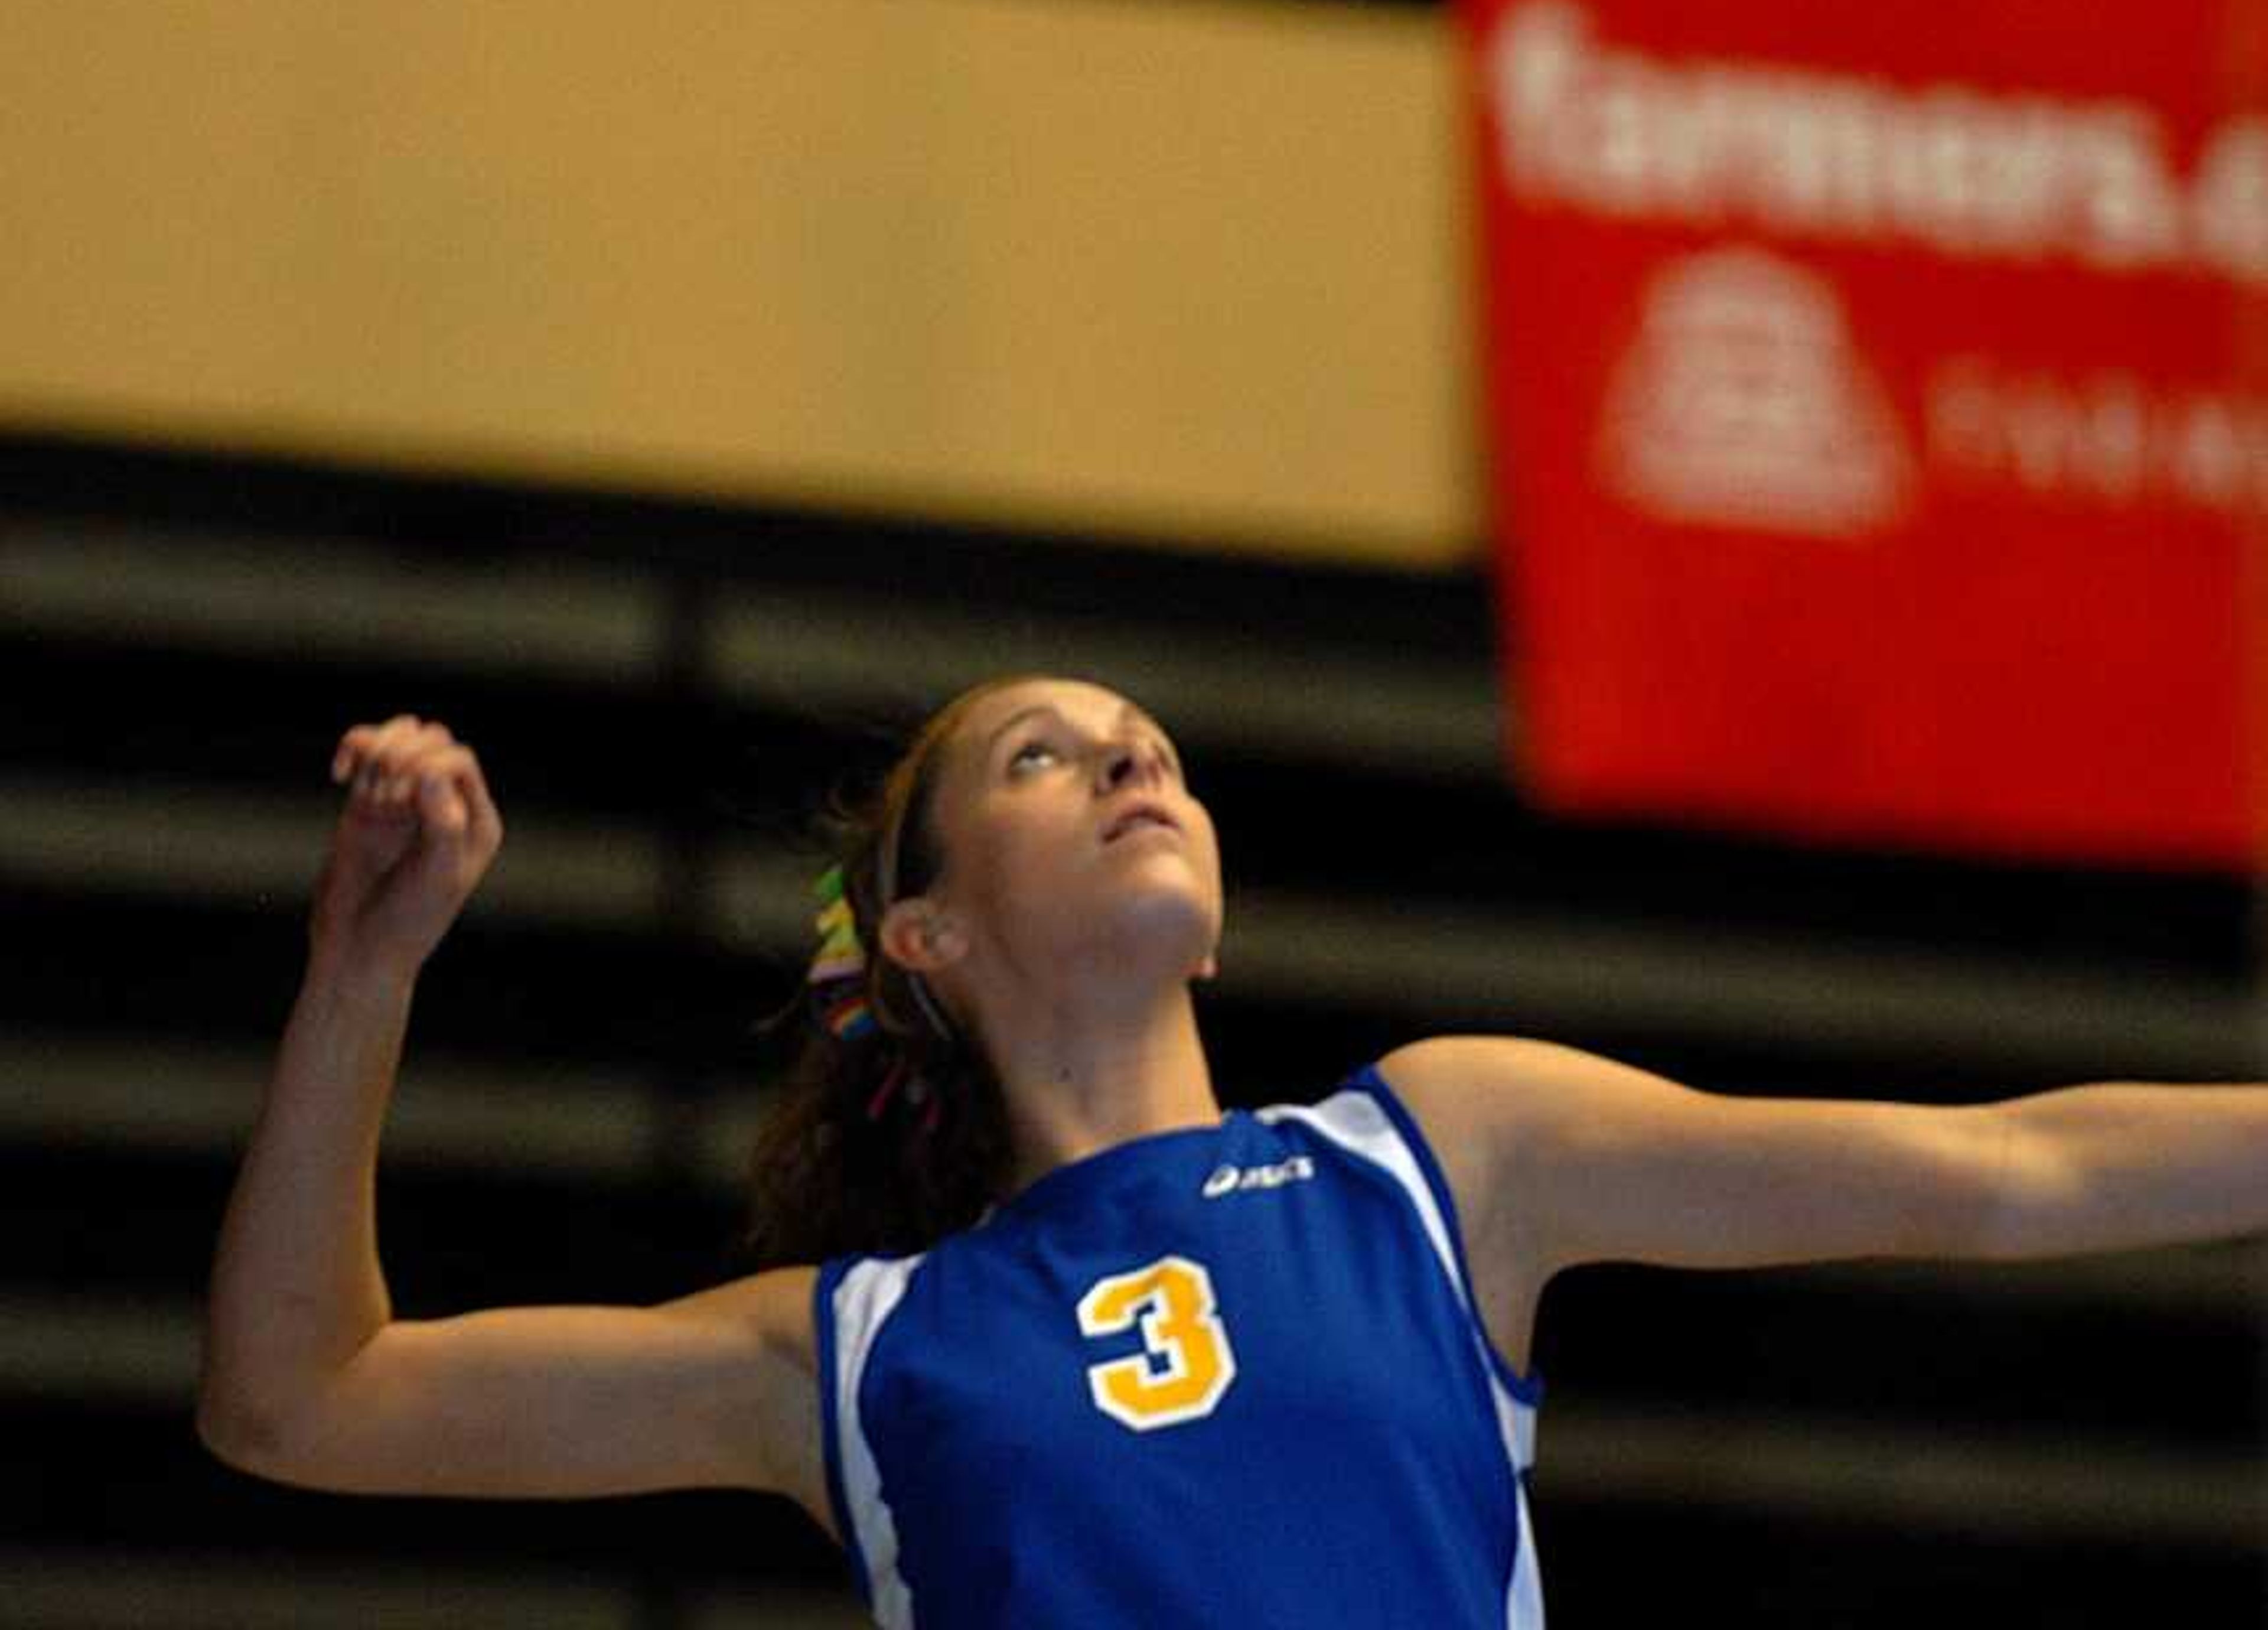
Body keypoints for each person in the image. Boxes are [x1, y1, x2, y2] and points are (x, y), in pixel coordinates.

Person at [200, 677, 2268, 1626]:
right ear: (925, 930)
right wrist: (363, 973)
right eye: (1046, 750)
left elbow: (2006, 1166)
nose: (1135, 753)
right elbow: (301, 1397)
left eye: (1149, 741)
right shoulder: (853, 1352)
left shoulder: (1442, 1153)